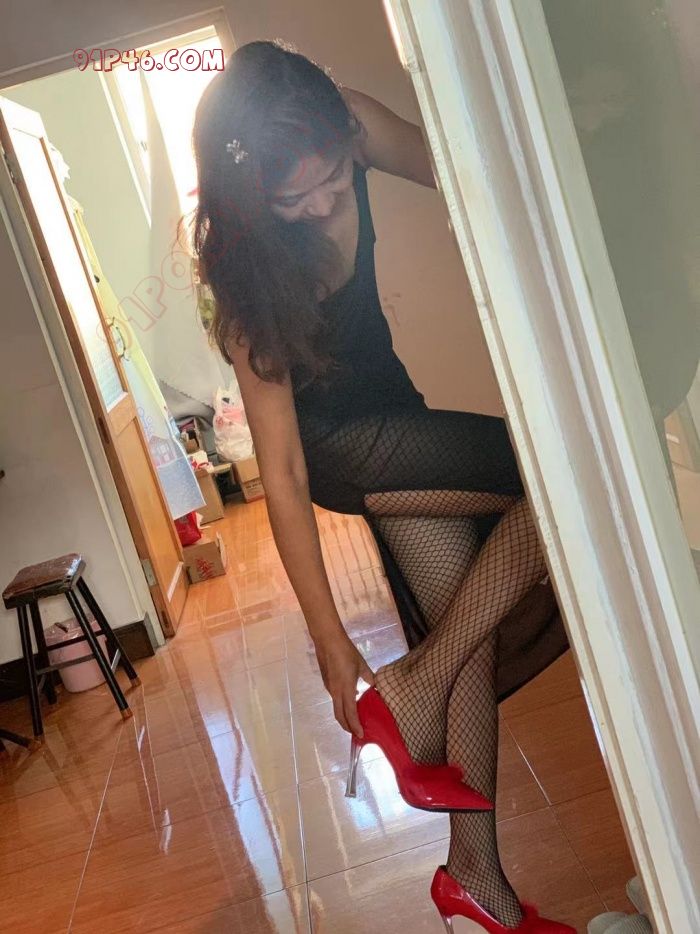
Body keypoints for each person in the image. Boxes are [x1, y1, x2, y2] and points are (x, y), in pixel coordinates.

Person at [192, 40, 574, 933]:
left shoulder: (349, 122)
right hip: (338, 449)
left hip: (397, 414)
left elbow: (459, 172)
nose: (327, 203)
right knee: (561, 477)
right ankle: (413, 688)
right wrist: (330, 639)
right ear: (251, 196)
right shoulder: (247, 293)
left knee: (464, 630)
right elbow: (285, 473)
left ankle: (475, 880)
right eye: (296, 200)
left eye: (335, 177)